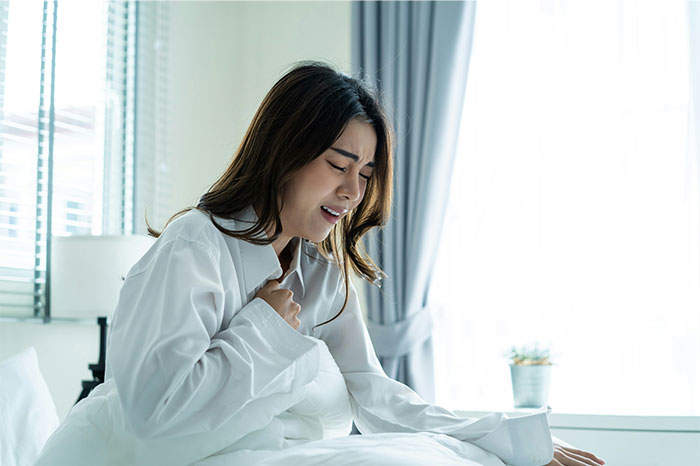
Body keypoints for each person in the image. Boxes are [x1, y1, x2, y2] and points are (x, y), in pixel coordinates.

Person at [36, 62, 604, 466]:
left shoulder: (322, 278)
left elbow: (377, 395)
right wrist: (261, 327)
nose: (354, 190)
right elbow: (151, 413)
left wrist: (510, 442)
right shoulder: (195, 246)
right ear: (285, 150)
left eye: (366, 173)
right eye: (339, 165)